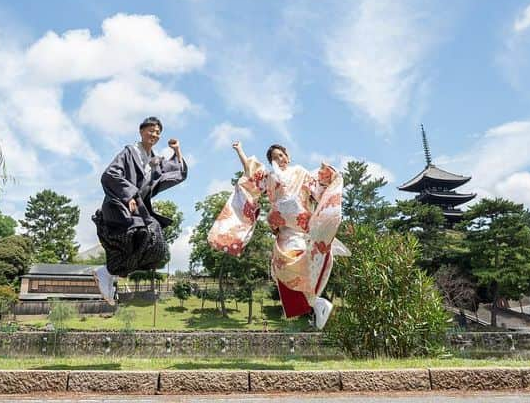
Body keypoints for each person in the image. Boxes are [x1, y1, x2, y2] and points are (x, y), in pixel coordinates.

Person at [208, 141, 347, 330]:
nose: (279, 159)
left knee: (294, 266)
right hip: (283, 232)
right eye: (274, 158)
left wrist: (330, 176)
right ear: (271, 163)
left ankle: (317, 299)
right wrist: (240, 150)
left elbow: (319, 188)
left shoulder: (300, 172)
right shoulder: (270, 177)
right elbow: (251, 172)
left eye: (281, 155)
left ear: (287, 156)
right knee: (280, 271)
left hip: (300, 230)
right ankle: (316, 303)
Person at [91, 116, 187, 304]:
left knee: (156, 249)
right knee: (143, 235)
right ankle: (108, 273)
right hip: (118, 207)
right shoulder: (129, 152)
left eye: (158, 132)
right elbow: (109, 175)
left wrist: (177, 150)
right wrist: (130, 195)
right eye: (151, 130)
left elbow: (178, 172)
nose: (154, 134)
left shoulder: (155, 161)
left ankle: (108, 273)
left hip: (137, 213)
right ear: (141, 131)